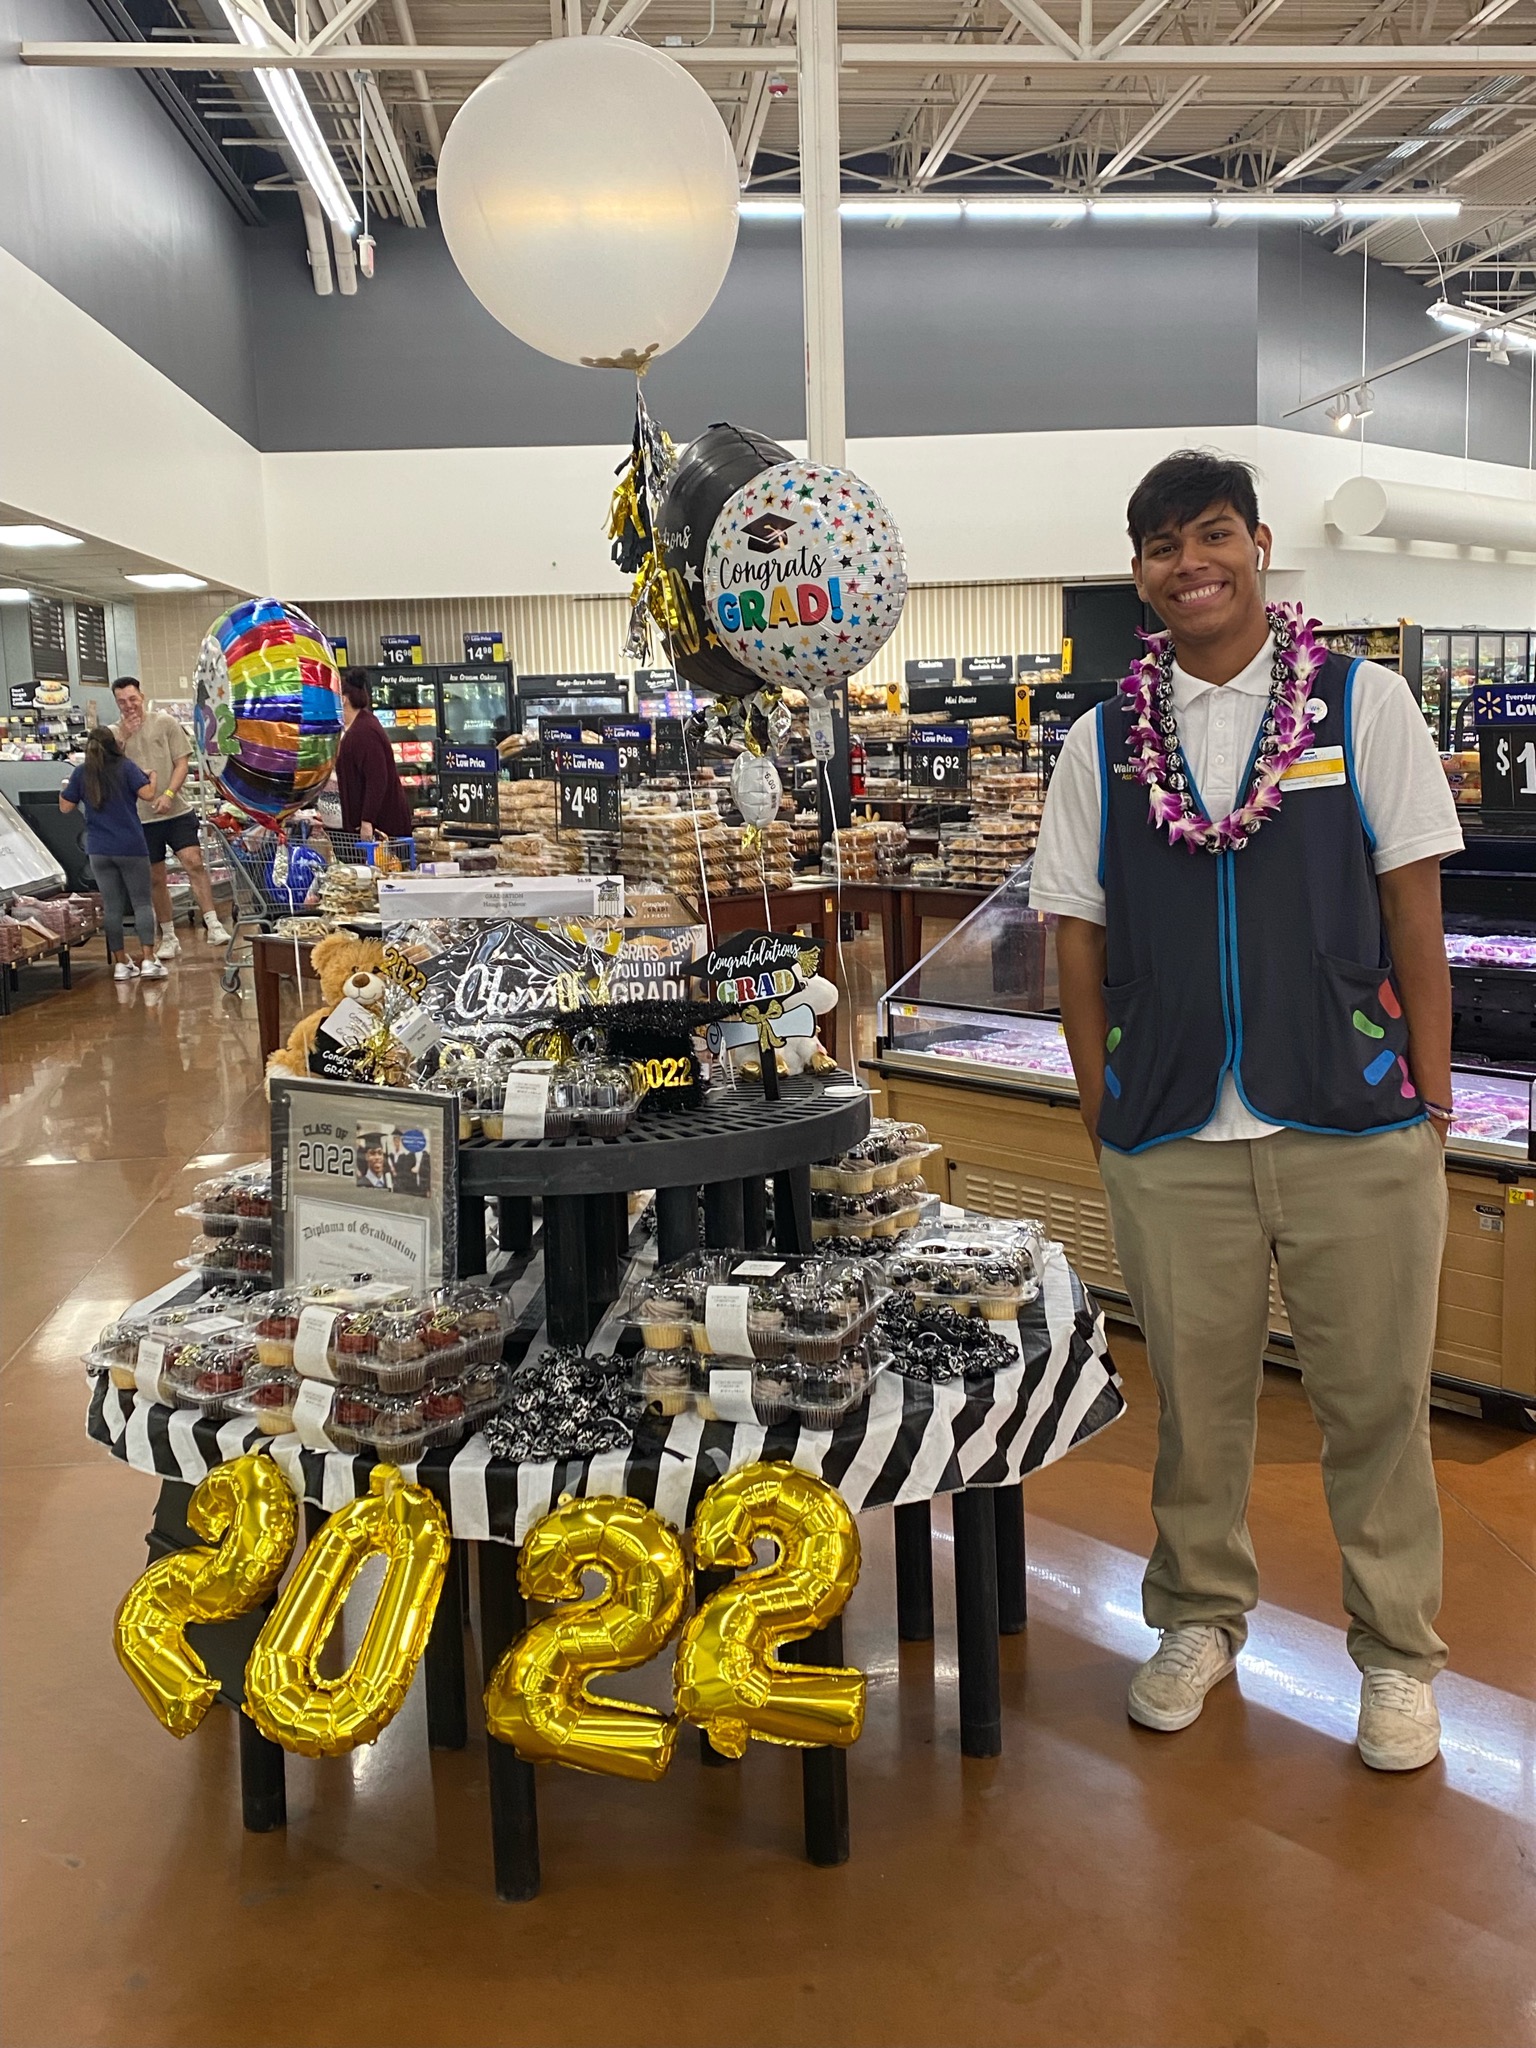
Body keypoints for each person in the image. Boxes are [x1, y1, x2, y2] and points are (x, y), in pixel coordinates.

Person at [1030, 450, 1462, 1774]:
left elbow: (1415, 908)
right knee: (1199, 1405)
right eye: (1163, 546)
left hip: (1353, 1120)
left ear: (1259, 545)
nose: (1190, 565)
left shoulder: (1361, 702)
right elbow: (1075, 934)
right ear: (1140, 573)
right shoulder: (1104, 740)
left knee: (1376, 1404)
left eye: (1211, 535)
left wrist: (1431, 1097)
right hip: (1172, 1132)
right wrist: (1101, 1098)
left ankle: (1397, 1655)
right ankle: (1198, 1617)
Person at [110, 677, 231, 957]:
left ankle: (213, 923)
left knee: (193, 862)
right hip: (141, 818)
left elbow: (182, 763)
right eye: (122, 702)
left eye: (133, 699)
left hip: (177, 811)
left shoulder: (165, 723)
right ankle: (168, 935)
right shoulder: (113, 733)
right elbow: (111, 767)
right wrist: (124, 736)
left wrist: (168, 793)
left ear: (142, 696)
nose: (129, 706)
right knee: (156, 878)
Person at [60, 729, 168, 982]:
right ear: (114, 745)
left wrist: (64, 788)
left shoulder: (82, 772)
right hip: (130, 846)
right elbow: (148, 794)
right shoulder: (126, 767)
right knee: (142, 903)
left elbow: (65, 807)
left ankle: (121, 964)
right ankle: (149, 960)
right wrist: (152, 777)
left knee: (112, 907)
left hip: (99, 849)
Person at [336, 676, 413, 844]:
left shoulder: (364, 732)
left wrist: (367, 820)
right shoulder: (360, 725)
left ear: (343, 699)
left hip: (382, 828)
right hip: (372, 825)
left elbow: (377, 778)